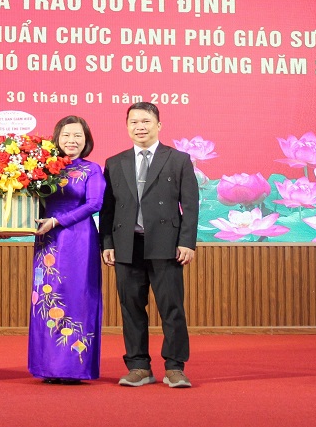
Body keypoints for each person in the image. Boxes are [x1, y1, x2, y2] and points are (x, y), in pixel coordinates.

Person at [99, 102, 199, 389]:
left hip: (167, 244)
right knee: (130, 307)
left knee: (172, 307)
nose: (140, 126)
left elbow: (190, 206)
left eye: (145, 121)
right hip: (127, 244)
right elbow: (108, 209)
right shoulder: (115, 162)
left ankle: (175, 367)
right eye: (133, 122)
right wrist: (107, 242)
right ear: (127, 126)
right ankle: (139, 365)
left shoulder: (178, 159)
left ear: (159, 125)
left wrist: (187, 242)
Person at [30, 115, 105, 384]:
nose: (71, 141)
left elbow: (94, 204)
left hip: (79, 240)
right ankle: (49, 367)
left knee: (77, 297)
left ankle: (74, 367)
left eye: (78, 136)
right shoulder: (42, 168)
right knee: (46, 299)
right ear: (57, 139)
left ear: (86, 141)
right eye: (66, 135)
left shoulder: (91, 169)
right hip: (47, 241)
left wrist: (58, 220)